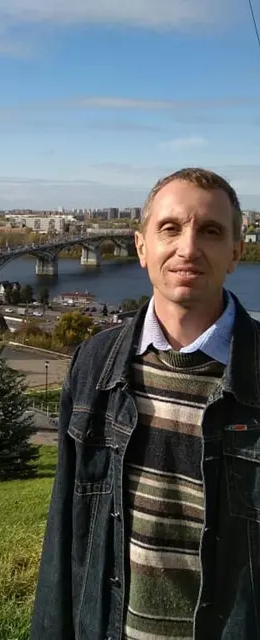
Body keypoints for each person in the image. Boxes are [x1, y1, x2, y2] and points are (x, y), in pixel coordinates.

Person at [31, 168, 260, 640]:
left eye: (210, 231)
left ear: (236, 252)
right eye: (170, 228)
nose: (188, 248)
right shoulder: (94, 365)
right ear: (141, 247)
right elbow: (65, 534)